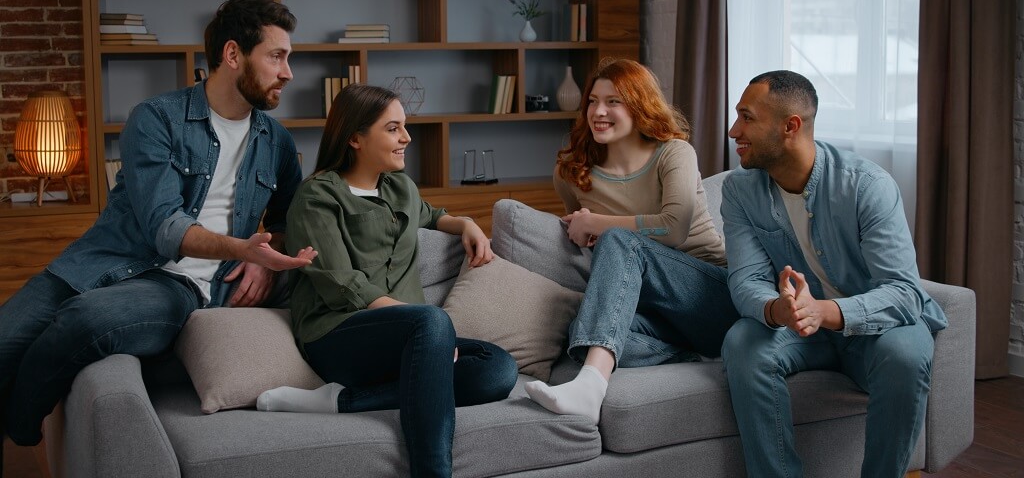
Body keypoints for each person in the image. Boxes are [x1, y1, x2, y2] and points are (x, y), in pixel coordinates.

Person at [0, 0, 318, 457]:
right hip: (103, 259)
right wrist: (242, 250)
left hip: (181, 285)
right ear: (233, 54)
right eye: (276, 56)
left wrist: (265, 262)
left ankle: (21, 431)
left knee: (87, 320)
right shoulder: (157, 118)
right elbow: (164, 227)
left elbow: (288, 217)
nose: (288, 72)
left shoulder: (278, 143)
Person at [256, 84, 518, 478]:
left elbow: (431, 215)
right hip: (338, 335)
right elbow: (343, 284)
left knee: (497, 369)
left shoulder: (401, 187)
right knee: (432, 320)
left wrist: (465, 223)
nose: (406, 138)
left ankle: (343, 402)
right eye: (393, 128)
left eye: (404, 127)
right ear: (356, 138)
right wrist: (429, 330)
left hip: (410, 338)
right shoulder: (316, 197)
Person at [720, 70, 948, 478]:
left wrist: (824, 312)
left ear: (790, 126)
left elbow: (904, 292)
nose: (734, 130)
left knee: (908, 353)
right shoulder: (740, 190)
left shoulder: (867, 185)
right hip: (800, 331)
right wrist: (776, 309)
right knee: (743, 341)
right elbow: (745, 279)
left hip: (876, 327)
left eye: (747, 118)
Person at [523, 58, 739, 423]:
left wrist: (596, 223)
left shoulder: (674, 153)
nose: (598, 112)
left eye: (613, 102)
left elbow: (674, 228)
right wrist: (591, 232)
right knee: (583, 333)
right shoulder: (572, 173)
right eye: (593, 101)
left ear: (640, 106)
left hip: (712, 295)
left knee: (621, 241)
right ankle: (695, 356)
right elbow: (591, 244)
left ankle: (590, 387)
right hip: (662, 317)